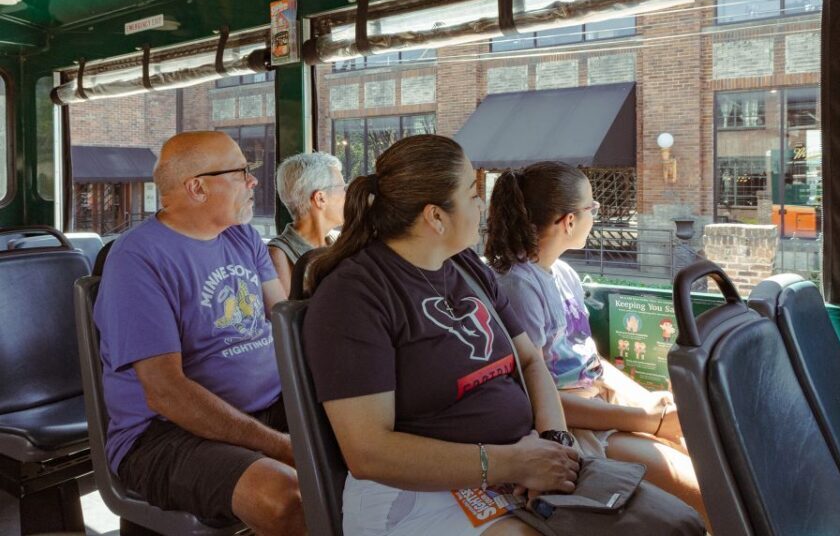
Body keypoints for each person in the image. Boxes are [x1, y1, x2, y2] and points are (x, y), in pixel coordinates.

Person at [303, 135, 582, 536]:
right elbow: (369, 451)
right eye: (472, 193)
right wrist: (512, 464)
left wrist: (554, 444)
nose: (481, 205)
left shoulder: (467, 266)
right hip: (414, 494)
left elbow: (530, 360)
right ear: (435, 216)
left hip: (516, 465)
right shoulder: (354, 295)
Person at [94, 131, 305, 535]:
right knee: (287, 500)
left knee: (374, 448)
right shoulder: (137, 259)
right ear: (197, 187)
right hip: (165, 435)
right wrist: (281, 446)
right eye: (242, 171)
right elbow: (166, 391)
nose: (253, 181)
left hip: (267, 409)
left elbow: (284, 324)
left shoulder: (243, 237)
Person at [485, 161, 707, 525]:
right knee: (704, 490)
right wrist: (646, 422)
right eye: (593, 208)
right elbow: (539, 395)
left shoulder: (563, 273)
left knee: (696, 451)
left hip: (603, 408)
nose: (597, 216)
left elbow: (590, 361)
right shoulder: (519, 286)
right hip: (574, 428)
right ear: (568, 221)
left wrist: (649, 403)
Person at [268, 152, 346, 293]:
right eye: (342, 189)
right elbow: (287, 313)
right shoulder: (279, 254)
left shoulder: (339, 242)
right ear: (320, 198)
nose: (347, 196)